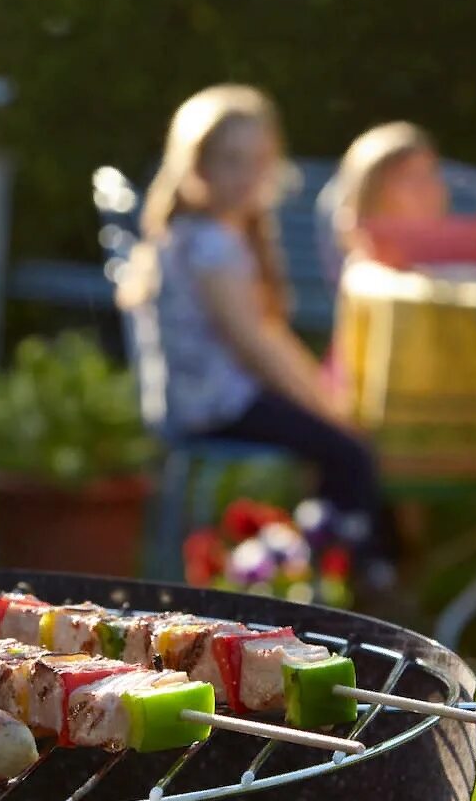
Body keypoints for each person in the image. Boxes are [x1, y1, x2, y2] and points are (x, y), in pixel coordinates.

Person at [117, 85, 396, 584]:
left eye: (259, 160)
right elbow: (256, 346)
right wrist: (327, 406)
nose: (247, 176)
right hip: (215, 407)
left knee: (335, 438)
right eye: (232, 160)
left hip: (201, 401)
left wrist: (322, 399)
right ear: (195, 166)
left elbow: (267, 336)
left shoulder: (202, 235)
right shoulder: (211, 246)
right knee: (348, 451)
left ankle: (320, 565)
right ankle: (356, 575)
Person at [325, 122, 476, 278]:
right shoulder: (367, 270)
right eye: (408, 178)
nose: (427, 188)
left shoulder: (456, 256)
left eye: (431, 174)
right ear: (369, 195)